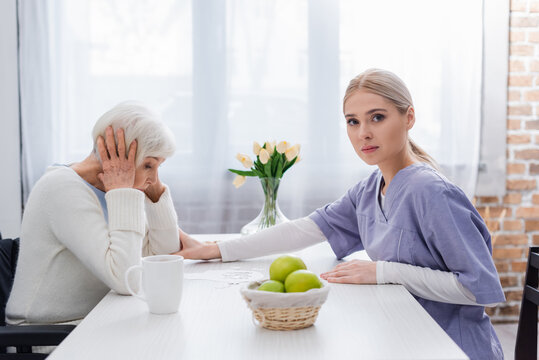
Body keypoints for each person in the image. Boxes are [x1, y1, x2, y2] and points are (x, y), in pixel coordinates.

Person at [177, 69, 506, 359]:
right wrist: (218, 250)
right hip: (404, 336)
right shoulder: (371, 187)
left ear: (409, 118)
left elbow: (477, 289)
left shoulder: (429, 191)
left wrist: (383, 271)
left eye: (377, 117)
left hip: (452, 347)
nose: (363, 132)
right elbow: (307, 229)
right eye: (353, 121)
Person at [7, 102, 184, 326]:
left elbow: (163, 255)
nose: (154, 177)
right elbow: (124, 279)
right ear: (121, 155)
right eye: (149, 165)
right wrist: (123, 192)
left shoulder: (118, 187)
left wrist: (155, 193)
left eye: (159, 166)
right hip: (45, 332)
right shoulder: (62, 188)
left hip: (94, 319)